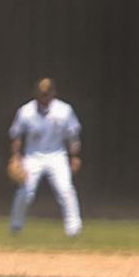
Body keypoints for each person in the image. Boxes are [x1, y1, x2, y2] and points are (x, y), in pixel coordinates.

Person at [9, 76, 83, 237]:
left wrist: (75, 156)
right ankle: (16, 226)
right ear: (36, 94)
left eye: (47, 93)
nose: (44, 97)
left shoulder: (64, 110)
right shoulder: (26, 111)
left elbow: (73, 135)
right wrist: (16, 157)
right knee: (26, 192)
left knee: (66, 190)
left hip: (57, 155)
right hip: (33, 155)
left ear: (53, 93)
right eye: (41, 94)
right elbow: (17, 136)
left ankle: (74, 229)